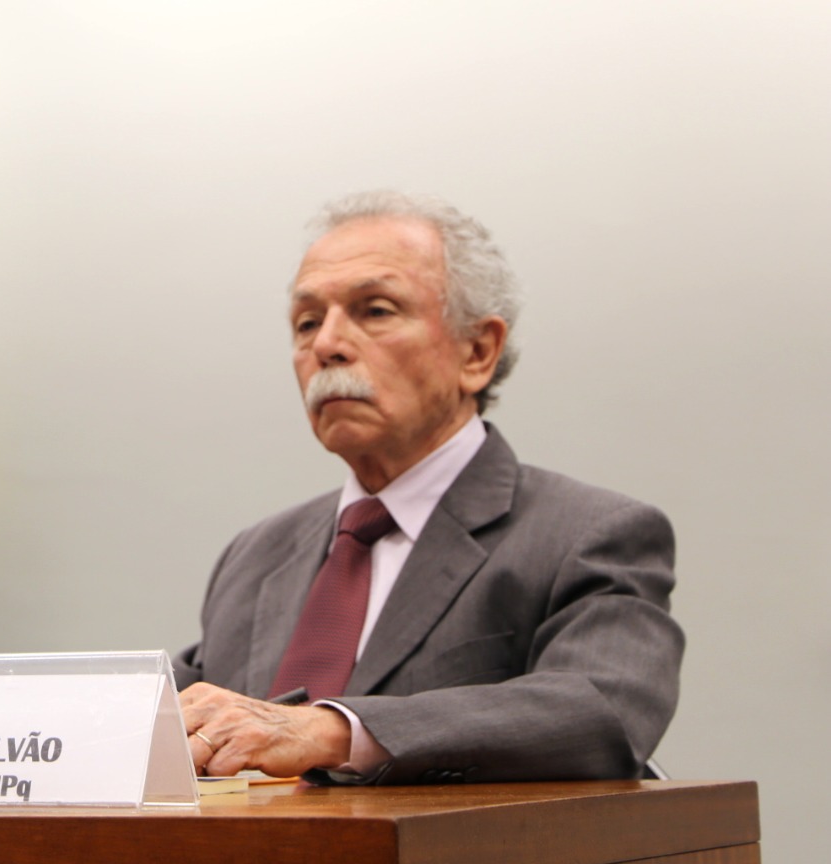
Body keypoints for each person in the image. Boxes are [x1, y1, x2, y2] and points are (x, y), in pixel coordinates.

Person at [175, 191, 682, 785]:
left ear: (478, 352)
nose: (326, 345)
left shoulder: (586, 535)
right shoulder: (256, 554)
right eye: (307, 322)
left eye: (375, 311)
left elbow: (602, 714)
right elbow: (174, 717)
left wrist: (329, 732)